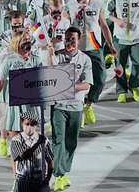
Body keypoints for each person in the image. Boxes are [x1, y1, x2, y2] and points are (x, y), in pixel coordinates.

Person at [50, 27, 92, 192]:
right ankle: (58, 174)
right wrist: (50, 52)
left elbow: (86, 85)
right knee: (58, 140)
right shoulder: (58, 55)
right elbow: (50, 74)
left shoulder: (85, 60)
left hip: (76, 106)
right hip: (59, 105)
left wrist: (68, 87)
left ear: (79, 40)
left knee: (71, 142)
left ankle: (65, 171)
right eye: (67, 38)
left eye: (73, 39)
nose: (70, 42)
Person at [11, 110, 54, 192]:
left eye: (32, 124)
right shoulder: (16, 140)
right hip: (23, 179)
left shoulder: (44, 140)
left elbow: (50, 160)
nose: (29, 127)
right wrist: (37, 144)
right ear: (22, 124)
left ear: (36, 125)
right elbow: (23, 156)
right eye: (27, 124)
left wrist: (47, 179)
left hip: (39, 179)